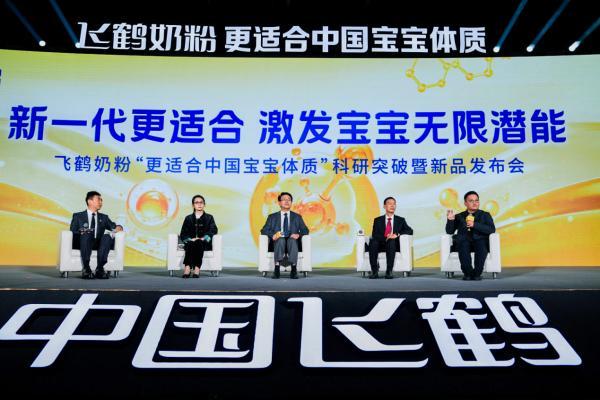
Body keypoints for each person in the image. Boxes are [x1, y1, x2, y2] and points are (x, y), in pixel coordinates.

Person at [69, 191, 123, 279]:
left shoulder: (104, 217)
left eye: (101, 200)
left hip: (98, 243)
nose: (101, 202)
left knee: (107, 236)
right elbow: (73, 231)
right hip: (83, 242)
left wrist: (119, 227)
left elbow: (114, 227)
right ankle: (86, 268)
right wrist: (81, 232)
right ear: (90, 201)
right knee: (86, 234)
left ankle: (100, 269)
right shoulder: (78, 216)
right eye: (98, 200)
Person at [446, 190, 496, 281]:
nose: (475, 203)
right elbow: (449, 231)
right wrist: (450, 220)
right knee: (463, 245)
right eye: (471, 201)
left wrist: (474, 225)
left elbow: (491, 229)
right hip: (464, 241)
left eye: (476, 200)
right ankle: (468, 273)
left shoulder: (485, 215)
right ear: (465, 203)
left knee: (481, 245)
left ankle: (477, 274)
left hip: (480, 240)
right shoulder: (459, 216)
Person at [260, 192, 309, 279]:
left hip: (292, 242)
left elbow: (305, 230)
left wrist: (298, 234)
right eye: (284, 200)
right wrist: (273, 235)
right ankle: (276, 269)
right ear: (279, 203)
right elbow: (264, 230)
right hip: (277, 242)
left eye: (289, 200)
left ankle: (294, 269)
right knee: (280, 239)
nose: (287, 201)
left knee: (292, 240)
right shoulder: (272, 217)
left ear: (291, 202)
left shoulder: (297, 217)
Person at [368, 196, 414, 279]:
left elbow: (410, 230)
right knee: (373, 241)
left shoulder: (401, 220)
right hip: (381, 244)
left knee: (391, 241)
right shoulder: (377, 220)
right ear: (384, 206)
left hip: (393, 245)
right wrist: (387, 237)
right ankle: (374, 271)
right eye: (389, 203)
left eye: (394, 204)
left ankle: (389, 271)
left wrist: (396, 234)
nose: (392, 205)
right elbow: (375, 234)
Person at [179, 195, 218, 278]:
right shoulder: (188, 218)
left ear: (204, 204)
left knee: (199, 242)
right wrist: (190, 239)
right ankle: (187, 267)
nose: (199, 204)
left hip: (204, 242)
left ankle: (197, 268)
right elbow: (183, 232)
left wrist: (204, 238)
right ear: (193, 205)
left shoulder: (209, 217)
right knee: (190, 243)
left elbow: (213, 229)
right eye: (196, 202)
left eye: (201, 202)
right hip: (191, 242)